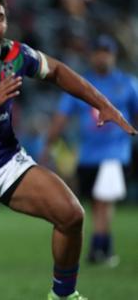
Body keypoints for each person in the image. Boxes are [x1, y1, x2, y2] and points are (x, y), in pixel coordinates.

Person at [0, 0, 137, 300]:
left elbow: (58, 71)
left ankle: (62, 295)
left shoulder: (15, 54)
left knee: (71, 215)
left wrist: (102, 103)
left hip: (8, 163)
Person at [43, 34, 138, 266]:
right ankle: (103, 246)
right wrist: (49, 144)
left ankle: (99, 247)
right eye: (98, 52)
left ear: (113, 55)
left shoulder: (127, 83)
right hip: (87, 155)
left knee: (103, 200)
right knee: (96, 203)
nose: (102, 57)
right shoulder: (81, 84)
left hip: (115, 153)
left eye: (106, 52)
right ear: (92, 55)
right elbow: (61, 116)